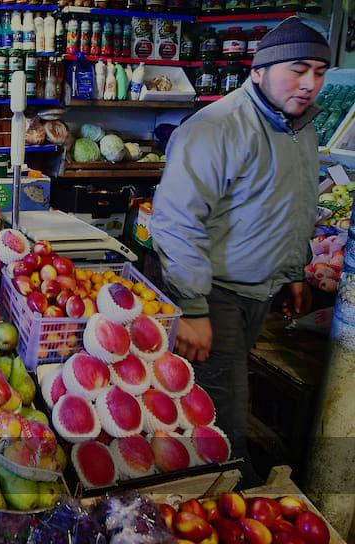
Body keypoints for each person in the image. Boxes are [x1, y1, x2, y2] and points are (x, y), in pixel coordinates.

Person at [150, 17, 329, 485]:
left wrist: (293, 270)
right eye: (298, 70)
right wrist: (193, 309)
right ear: (259, 70)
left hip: (257, 293)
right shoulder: (217, 127)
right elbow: (175, 221)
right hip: (214, 295)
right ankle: (228, 500)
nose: (309, 84)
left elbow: (292, 201)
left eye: (319, 72)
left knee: (211, 408)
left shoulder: (300, 127)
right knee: (223, 424)